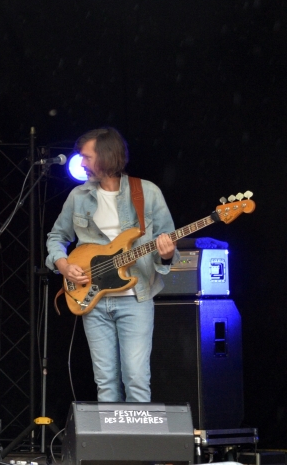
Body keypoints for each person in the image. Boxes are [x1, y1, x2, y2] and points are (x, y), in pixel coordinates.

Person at [45, 127, 179, 403]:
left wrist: (167, 254)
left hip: (136, 298)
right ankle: (112, 433)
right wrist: (63, 265)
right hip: (93, 299)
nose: (82, 163)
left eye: (87, 156)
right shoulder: (78, 196)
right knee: (105, 383)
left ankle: (137, 433)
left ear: (106, 156)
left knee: (136, 379)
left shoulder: (147, 192)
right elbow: (57, 237)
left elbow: (166, 244)